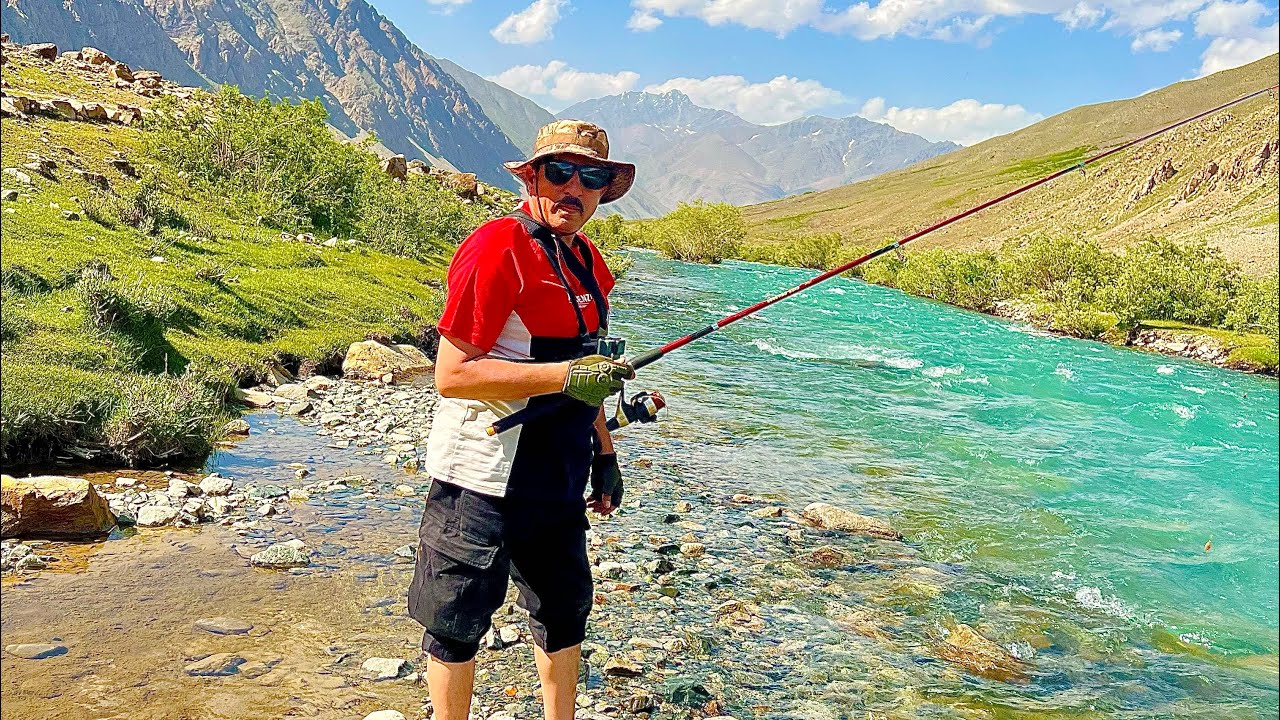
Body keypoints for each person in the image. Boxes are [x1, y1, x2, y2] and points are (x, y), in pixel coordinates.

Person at [408, 119, 637, 720]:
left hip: (558, 478)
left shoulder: (590, 261)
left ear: (604, 190)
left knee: (563, 614)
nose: (574, 188)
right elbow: (453, 375)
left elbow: (588, 370)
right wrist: (565, 377)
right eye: (559, 172)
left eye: (591, 177)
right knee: (455, 620)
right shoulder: (494, 247)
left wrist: (605, 455)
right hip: (481, 478)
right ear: (531, 176)